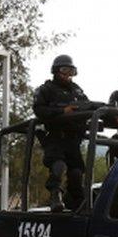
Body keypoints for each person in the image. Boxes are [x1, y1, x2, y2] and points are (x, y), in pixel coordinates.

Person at [33, 54, 89, 212]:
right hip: (55, 137)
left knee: (77, 173)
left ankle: (78, 204)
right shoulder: (46, 89)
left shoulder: (77, 90)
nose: (68, 75)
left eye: (71, 71)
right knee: (58, 166)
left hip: (73, 139)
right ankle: (55, 197)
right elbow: (39, 109)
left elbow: (88, 106)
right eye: (64, 70)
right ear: (56, 71)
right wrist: (62, 111)